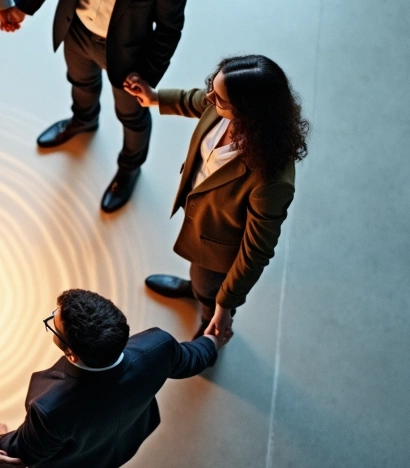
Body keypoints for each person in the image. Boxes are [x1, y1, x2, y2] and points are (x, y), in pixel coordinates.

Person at [8, 0, 188, 213]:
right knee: (80, 82)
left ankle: (129, 169)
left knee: (132, 117)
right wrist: (23, 5)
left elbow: (169, 30)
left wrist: (148, 76)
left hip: (127, 55)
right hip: (76, 30)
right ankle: (83, 120)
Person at [124, 54, 309, 339]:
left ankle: (207, 312)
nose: (210, 97)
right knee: (200, 276)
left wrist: (225, 305)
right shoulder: (221, 107)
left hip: (222, 250)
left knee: (209, 286)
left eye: (220, 98)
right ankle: (196, 288)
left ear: (248, 111)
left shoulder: (271, 180)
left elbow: (254, 252)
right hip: (204, 220)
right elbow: (196, 100)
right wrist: (155, 97)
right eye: (213, 85)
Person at [0, 290, 228, 468]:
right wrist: (212, 341)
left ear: (71, 354)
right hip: (126, 442)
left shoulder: (49, 407)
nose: (52, 318)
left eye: (53, 322)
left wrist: (2, 438)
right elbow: (193, 359)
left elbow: (21, 452)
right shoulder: (158, 346)